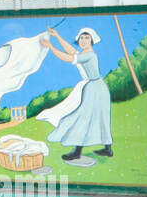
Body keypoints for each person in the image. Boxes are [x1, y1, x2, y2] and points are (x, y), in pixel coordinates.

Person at [38, 25, 113, 161]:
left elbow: (67, 57)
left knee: (85, 117)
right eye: (81, 38)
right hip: (95, 87)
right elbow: (72, 51)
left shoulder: (89, 55)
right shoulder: (84, 54)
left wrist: (50, 46)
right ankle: (106, 149)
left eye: (86, 38)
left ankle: (79, 151)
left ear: (92, 40)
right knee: (93, 117)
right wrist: (57, 36)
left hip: (96, 88)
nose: (83, 40)